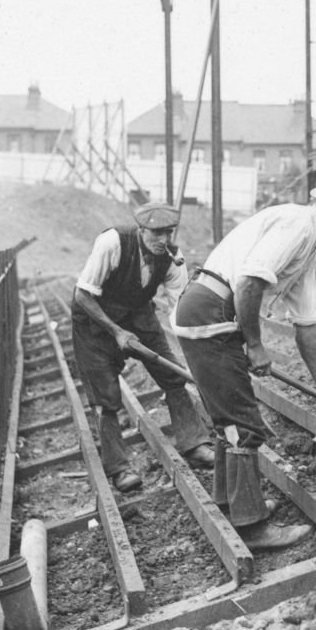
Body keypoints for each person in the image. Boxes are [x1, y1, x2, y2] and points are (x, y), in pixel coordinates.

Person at [171, 160, 316, 551]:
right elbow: (249, 283)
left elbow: (305, 321)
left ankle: (233, 505)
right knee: (242, 422)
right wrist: (255, 345)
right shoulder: (298, 226)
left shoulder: (308, 240)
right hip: (212, 310)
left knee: (227, 421)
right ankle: (252, 527)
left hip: (208, 309)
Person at [71, 202, 214, 493]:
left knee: (173, 375)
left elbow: (179, 311)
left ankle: (195, 444)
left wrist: (200, 353)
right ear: (141, 230)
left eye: (168, 233)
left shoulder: (174, 259)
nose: (163, 240)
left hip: (139, 315)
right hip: (95, 320)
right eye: (156, 233)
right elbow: (82, 295)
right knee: (107, 396)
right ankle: (119, 468)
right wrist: (116, 331)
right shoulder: (112, 243)